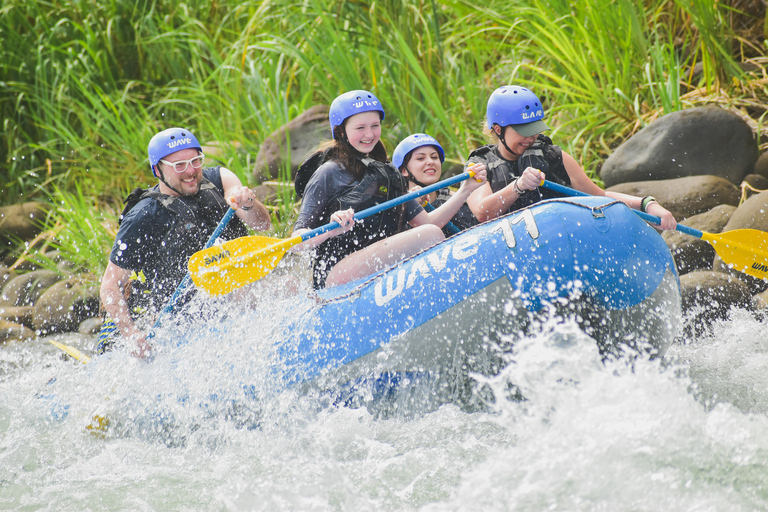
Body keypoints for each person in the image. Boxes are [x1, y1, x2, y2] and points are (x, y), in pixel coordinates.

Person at [99, 127, 271, 358]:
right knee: (241, 295)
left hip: (242, 292)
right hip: (186, 319)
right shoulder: (142, 217)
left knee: (281, 284)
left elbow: (263, 226)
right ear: (157, 170)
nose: (190, 171)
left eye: (195, 161)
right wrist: (131, 334)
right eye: (179, 166)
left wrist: (248, 203)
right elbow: (110, 285)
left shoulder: (221, 179)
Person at [292, 90, 487, 289]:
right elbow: (297, 240)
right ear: (342, 132)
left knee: (431, 232)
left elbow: (427, 222)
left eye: (375, 126)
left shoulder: (387, 173)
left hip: (378, 266)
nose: (369, 134)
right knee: (430, 235)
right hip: (336, 274)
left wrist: (465, 190)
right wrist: (330, 230)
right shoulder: (328, 172)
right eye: (360, 127)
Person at [466, 85, 677, 230]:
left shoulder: (552, 156)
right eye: (524, 131)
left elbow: (599, 196)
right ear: (498, 129)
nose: (531, 137)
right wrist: (517, 187)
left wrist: (647, 204)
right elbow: (482, 213)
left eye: (535, 130)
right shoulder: (480, 164)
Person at [393, 133, 479, 236]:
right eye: (420, 158)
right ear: (404, 170)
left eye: (434, 157)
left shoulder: (457, 198)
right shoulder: (397, 209)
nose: (430, 162)